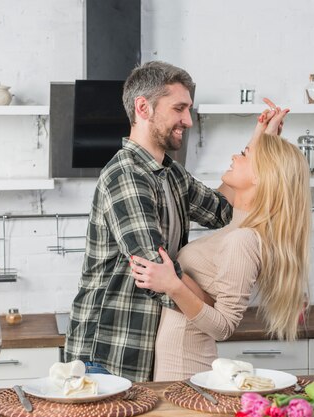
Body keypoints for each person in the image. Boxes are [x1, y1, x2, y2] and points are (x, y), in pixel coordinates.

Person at [65, 61, 239, 382]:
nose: (188, 120)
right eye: (179, 108)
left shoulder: (171, 174)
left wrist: (262, 141)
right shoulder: (127, 175)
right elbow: (156, 272)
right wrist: (216, 311)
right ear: (143, 108)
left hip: (144, 350)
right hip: (108, 354)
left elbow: (222, 211)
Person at [130, 119, 311, 381]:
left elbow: (224, 327)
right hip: (178, 365)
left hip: (184, 368)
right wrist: (261, 138)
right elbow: (223, 201)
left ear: (261, 176)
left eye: (246, 154)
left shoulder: (244, 240)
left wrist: (174, 284)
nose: (235, 156)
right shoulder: (237, 227)